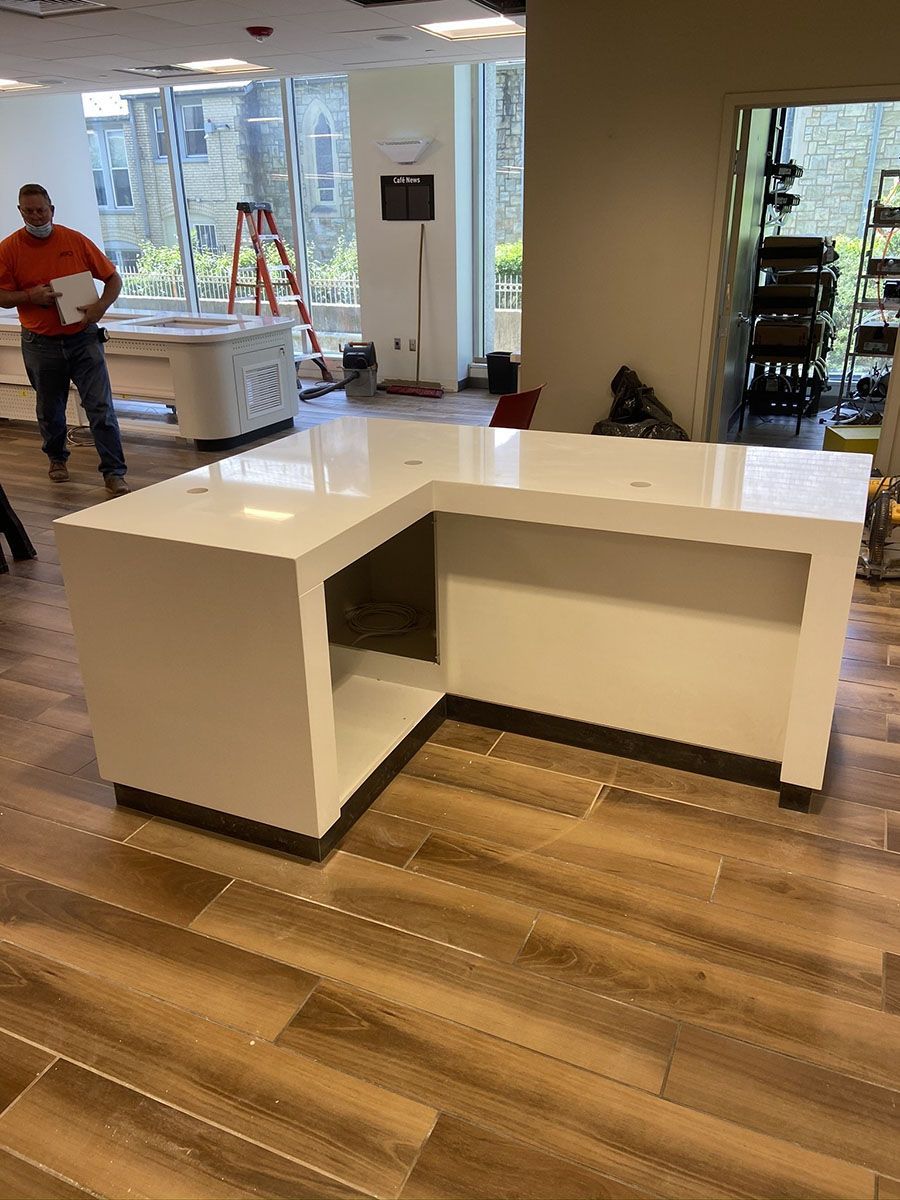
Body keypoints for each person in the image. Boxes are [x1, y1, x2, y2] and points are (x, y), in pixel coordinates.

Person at [0, 184, 129, 498]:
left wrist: (100, 307)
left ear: (51, 210)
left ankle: (114, 473)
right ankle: (57, 459)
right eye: (29, 211)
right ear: (20, 212)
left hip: (83, 337)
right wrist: (30, 295)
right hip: (40, 342)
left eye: (41, 210)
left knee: (101, 408)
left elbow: (113, 278)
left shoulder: (75, 240)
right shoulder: (9, 249)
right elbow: (3, 297)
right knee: (50, 409)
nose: (36, 216)